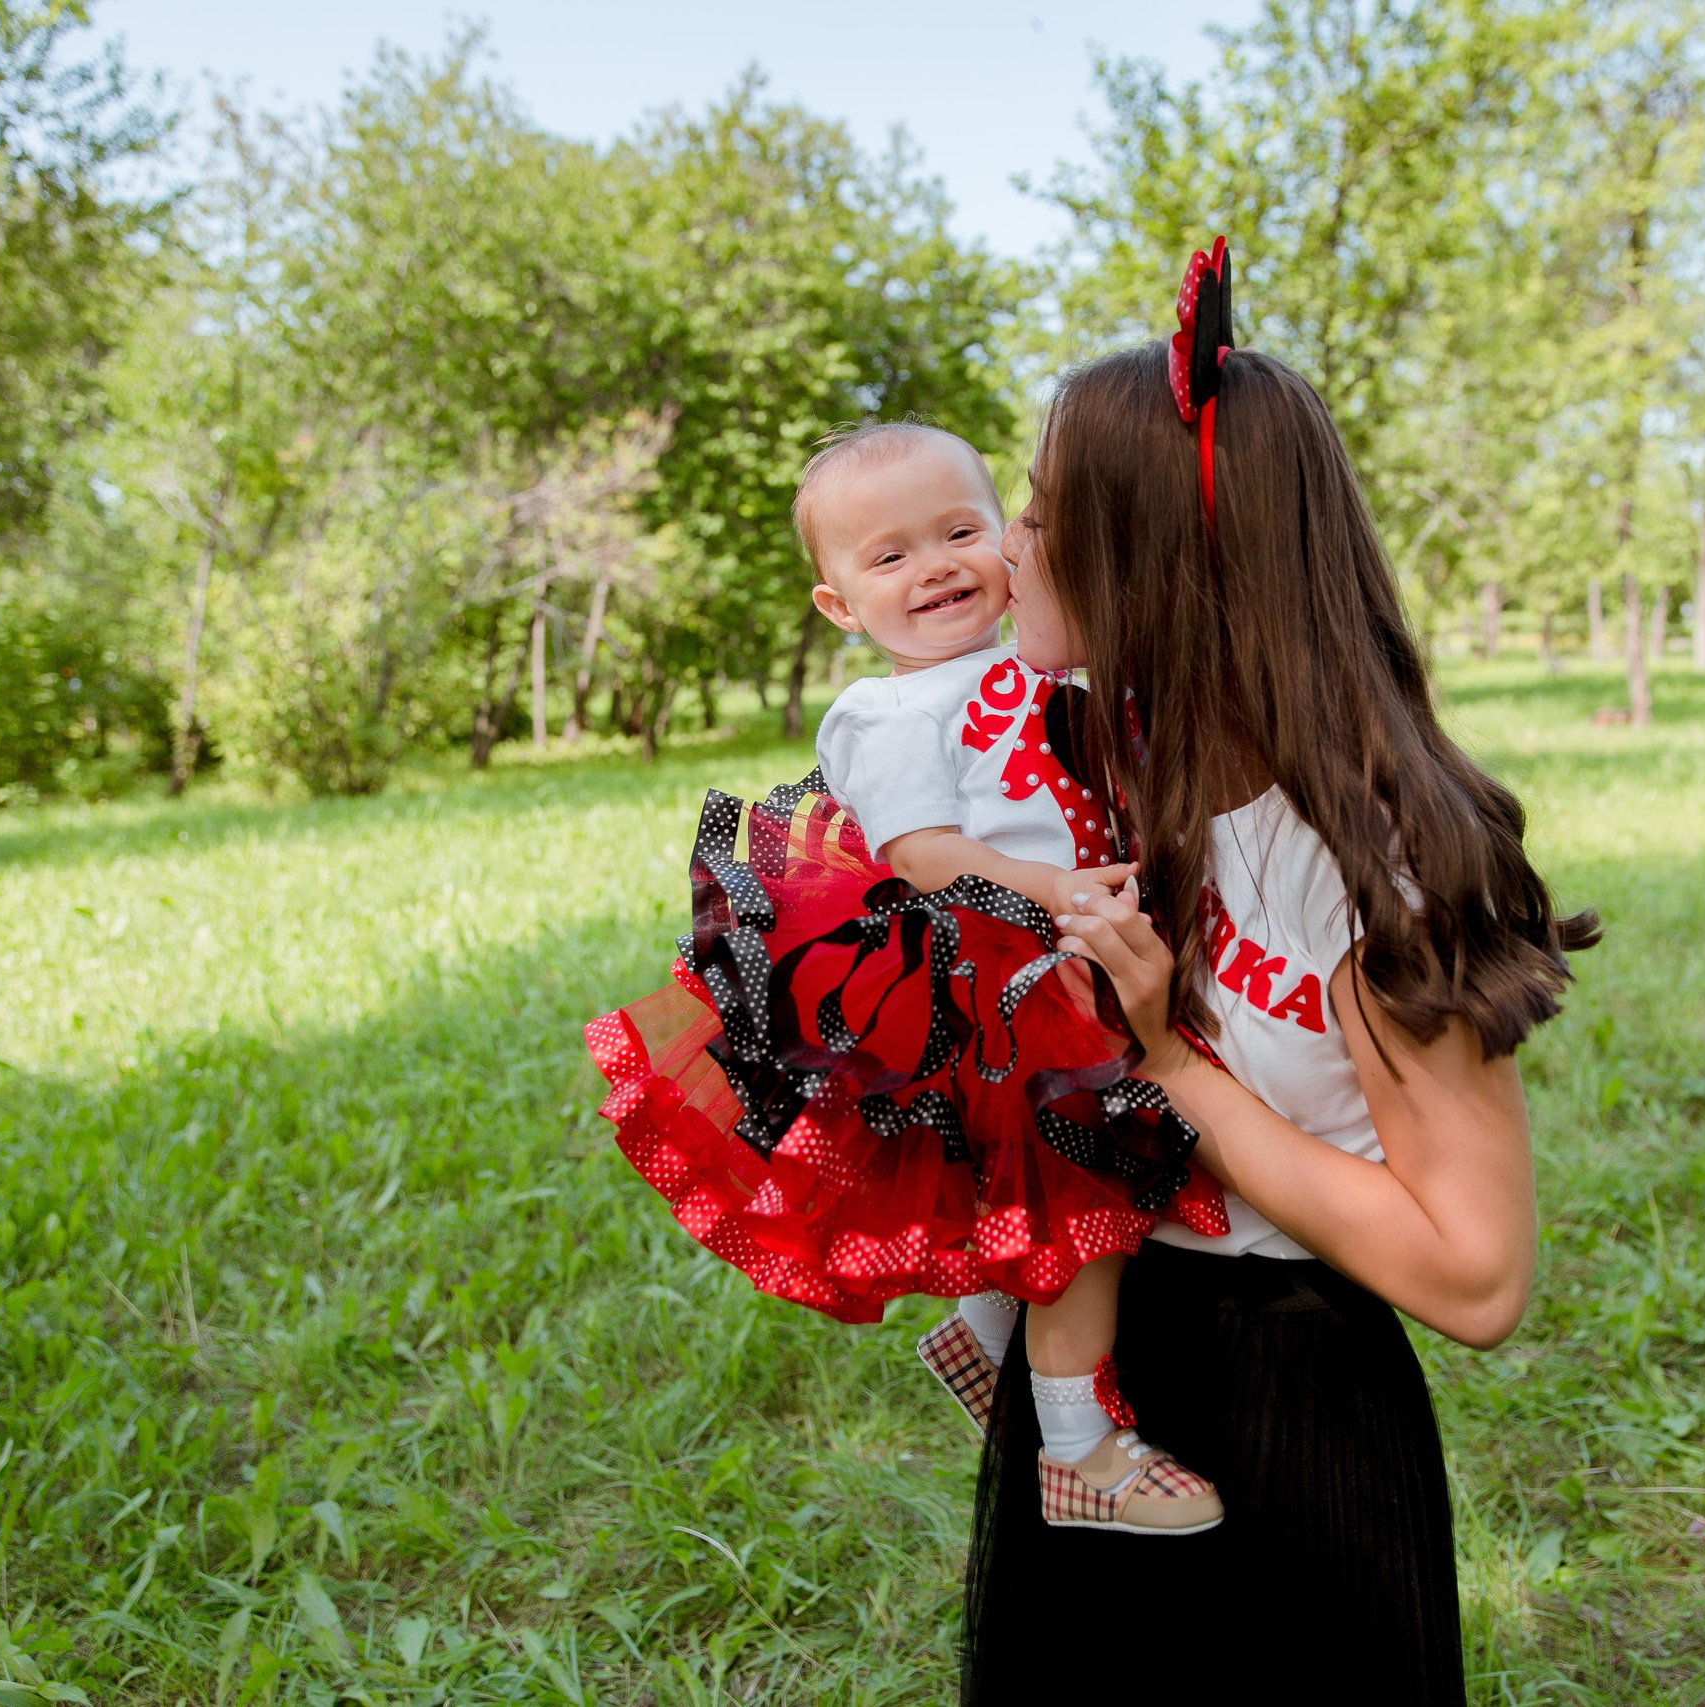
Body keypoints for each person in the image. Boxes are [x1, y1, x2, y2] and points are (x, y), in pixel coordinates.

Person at [960, 241, 1598, 1702]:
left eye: (1042, 518)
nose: (1008, 551)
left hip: (1284, 1396)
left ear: (1150, 560)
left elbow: (1478, 1270)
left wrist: (1171, 1065)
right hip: (1106, 1378)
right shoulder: (1077, 770)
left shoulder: (1375, 863)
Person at [583, 419, 1229, 1538]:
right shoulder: (887, 712)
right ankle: (1079, 1451)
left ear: (1011, 544)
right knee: (1089, 1207)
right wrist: (1051, 890)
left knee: (1019, 1188)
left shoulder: (1037, 662)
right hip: (997, 976)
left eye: (959, 531)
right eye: (888, 557)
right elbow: (919, 853)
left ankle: (982, 1339)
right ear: (840, 606)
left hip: (1059, 950)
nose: (932, 566)